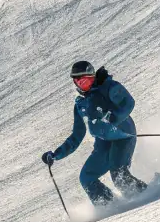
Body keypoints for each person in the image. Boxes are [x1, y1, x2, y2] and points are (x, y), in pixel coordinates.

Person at [42, 60, 148, 205]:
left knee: (118, 174)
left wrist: (114, 117)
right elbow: (77, 136)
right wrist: (56, 154)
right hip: (103, 142)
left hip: (123, 136)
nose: (84, 85)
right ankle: (109, 206)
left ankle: (147, 195)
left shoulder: (109, 87)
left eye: (87, 81)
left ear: (93, 77)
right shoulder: (81, 104)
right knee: (86, 177)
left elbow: (129, 103)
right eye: (80, 82)